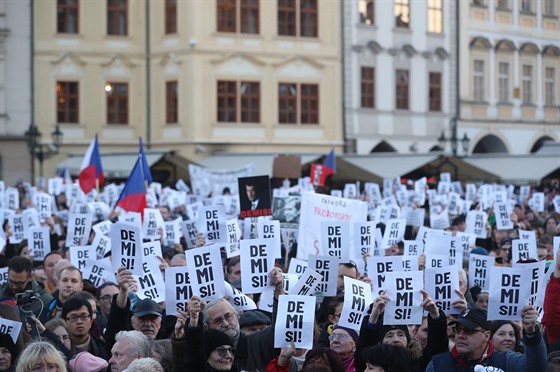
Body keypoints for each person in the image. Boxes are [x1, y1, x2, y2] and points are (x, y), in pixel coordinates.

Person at [173, 268, 285, 372]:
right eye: (218, 320)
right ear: (207, 326)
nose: (225, 324)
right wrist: (189, 329)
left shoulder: (258, 343)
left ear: (237, 316)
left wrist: (279, 294)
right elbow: (190, 362)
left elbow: (280, 330)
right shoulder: (204, 353)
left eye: (228, 316)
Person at [426, 306, 547, 371]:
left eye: (468, 330)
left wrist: (531, 333)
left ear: (487, 335)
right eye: (457, 330)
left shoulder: (505, 361)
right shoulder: (437, 365)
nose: (461, 335)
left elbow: (536, 368)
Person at [105, 267, 163, 352]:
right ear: (132, 322)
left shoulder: (169, 347)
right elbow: (117, 321)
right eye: (142, 319)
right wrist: (123, 291)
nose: (148, 324)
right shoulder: (123, 347)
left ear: (160, 323)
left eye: (153, 319)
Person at [62, 295, 109, 360]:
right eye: (73, 317)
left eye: (84, 316)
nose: (79, 321)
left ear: (91, 320)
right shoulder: (59, 349)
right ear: (65, 321)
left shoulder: (103, 348)